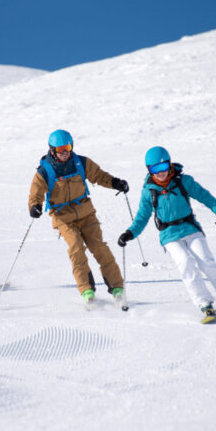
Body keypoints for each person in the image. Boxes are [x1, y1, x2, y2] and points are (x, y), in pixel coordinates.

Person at [117, 146, 216, 323]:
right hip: (168, 235)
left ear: (169, 164)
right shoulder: (149, 191)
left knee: (206, 261)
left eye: (163, 168)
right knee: (185, 263)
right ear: (149, 170)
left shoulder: (183, 181)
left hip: (190, 228)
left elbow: (205, 196)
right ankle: (205, 304)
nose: (160, 173)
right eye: (155, 169)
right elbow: (142, 217)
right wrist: (129, 233)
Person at [28, 129, 129, 304]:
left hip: (86, 212)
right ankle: (87, 290)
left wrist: (115, 183)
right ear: (52, 150)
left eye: (68, 147)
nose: (65, 153)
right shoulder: (45, 171)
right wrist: (35, 206)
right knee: (76, 248)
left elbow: (99, 176)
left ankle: (117, 287)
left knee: (99, 247)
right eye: (60, 149)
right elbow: (35, 192)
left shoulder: (81, 163)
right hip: (62, 217)